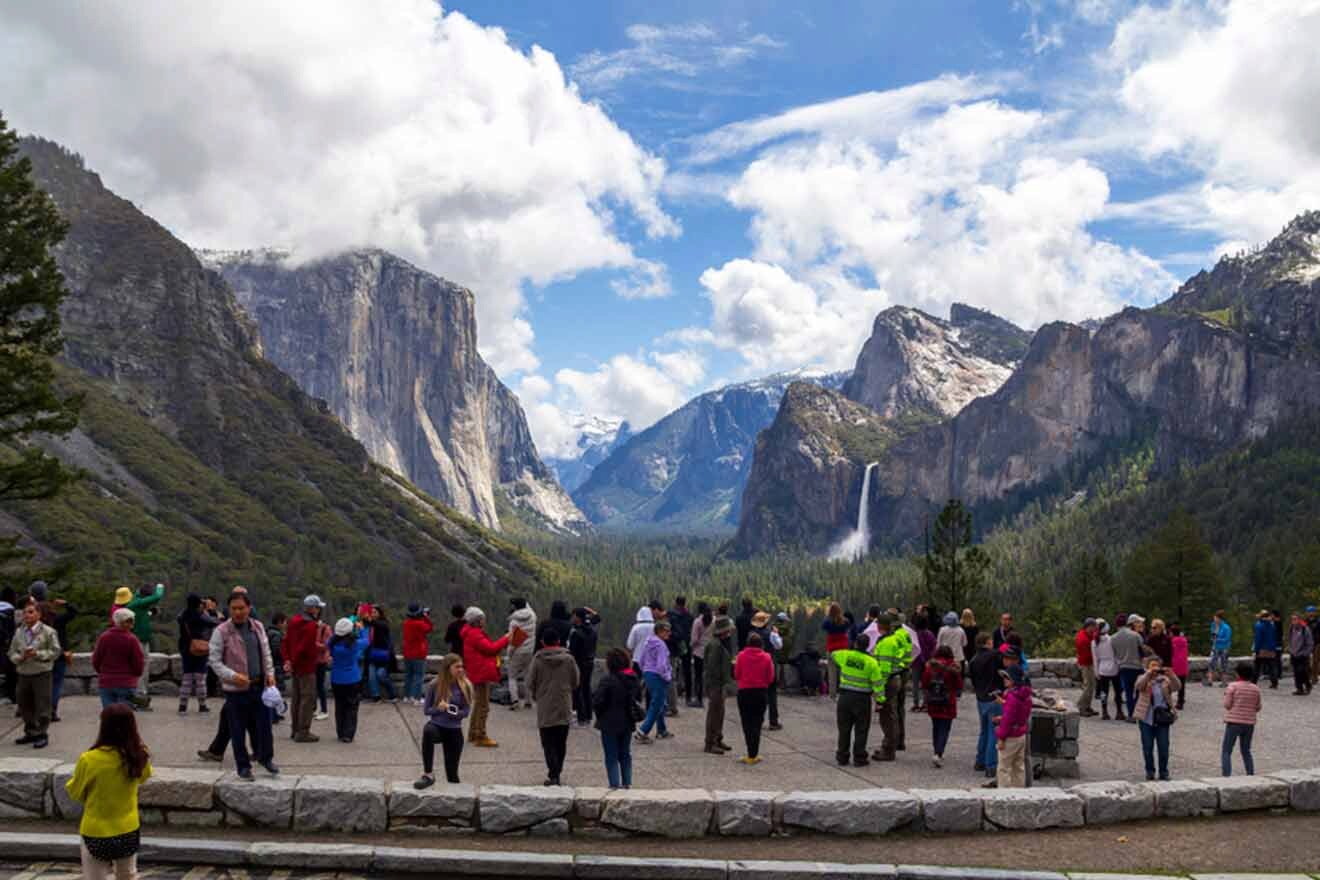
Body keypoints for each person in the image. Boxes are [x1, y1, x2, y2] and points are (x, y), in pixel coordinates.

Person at [66, 703, 153, 880]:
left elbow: (75, 792)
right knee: (127, 875)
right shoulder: (139, 755)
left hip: (96, 831)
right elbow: (144, 777)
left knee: (94, 877)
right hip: (128, 828)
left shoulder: (90, 759)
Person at [208, 590, 278, 781]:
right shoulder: (221, 631)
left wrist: (270, 674)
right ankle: (243, 767)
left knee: (265, 726)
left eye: (242, 608)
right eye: (234, 608)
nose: (238, 612)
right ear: (229, 610)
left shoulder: (258, 627)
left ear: (249, 608)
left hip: (259, 686)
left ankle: (266, 758)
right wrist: (232, 676)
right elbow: (214, 661)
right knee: (237, 729)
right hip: (236, 690)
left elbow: (266, 653)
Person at [527, 629, 578, 786]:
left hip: (545, 705)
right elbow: (576, 681)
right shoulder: (569, 659)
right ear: (558, 641)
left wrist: (537, 695)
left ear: (542, 642)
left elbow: (530, 682)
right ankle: (557, 771)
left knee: (548, 742)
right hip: (564, 703)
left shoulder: (538, 659)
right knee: (561, 742)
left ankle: (553, 773)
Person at [460, 607, 515, 747]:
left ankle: (473, 733)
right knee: (483, 706)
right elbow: (491, 649)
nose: (484, 621)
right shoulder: (475, 634)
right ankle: (481, 735)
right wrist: (506, 639)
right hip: (481, 672)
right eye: (482, 619)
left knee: (478, 704)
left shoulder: (468, 633)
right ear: (477, 621)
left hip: (475, 670)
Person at [8, 600, 60, 748]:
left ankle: (42, 733)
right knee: (24, 703)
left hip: (41, 672)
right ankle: (30, 731)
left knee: (42, 704)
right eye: (25, 612)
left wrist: (38, 654)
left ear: (38, 614)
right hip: (24, 672)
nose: (27, 615)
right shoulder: (19, 632)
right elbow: (12, 652)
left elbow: (55, 651)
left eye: (30, 612)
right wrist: (20, 657)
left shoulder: (48, 632)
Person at [416, 653, 471, 788]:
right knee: (428, 730)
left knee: (452, 774)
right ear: (448, 668)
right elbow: (427, 710)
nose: (460, 670)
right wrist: (439, 709)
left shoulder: (465, 685)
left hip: (454, 730)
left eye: (461, 667)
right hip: (437, 727)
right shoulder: (434, 684)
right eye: (457, 667)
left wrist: (450, 709)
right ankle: (428, 774)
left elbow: (465, 713)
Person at [832, 632, 884, 766]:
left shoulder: (845, 655)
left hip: (845, 697)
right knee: (861, 729)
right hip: (862, 699)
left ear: (855, 644)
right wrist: (880, 701)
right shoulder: (872, 662)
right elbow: (878, 684)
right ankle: (859, 758)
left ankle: (842, 757)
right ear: (868, 646)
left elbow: (833, 655)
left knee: (844, 729)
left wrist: (849, 651)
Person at [593, 648, 641, 790]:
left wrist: (600, 714)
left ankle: (614, 784)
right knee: (625, 753)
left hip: (608, 722)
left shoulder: (607, 680)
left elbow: (598, 701)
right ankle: (627, 783)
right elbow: (637, 698)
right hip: (627, 721)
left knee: (611, 755)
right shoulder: (633, 678)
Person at [30, 582, 76, 722]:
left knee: (40, 685)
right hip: (59, 655)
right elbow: (74, 612)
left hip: (40, 655)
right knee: (56, 684)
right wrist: (66, 603)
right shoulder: (58, 620)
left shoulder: (34, 622)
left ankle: (40, 711)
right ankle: (52, 711)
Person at [283, 595, 326, 741]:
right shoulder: (311, 625)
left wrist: (289, 660)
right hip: (306, 666)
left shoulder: (294, 621)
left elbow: (287, 641)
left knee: (296, 698)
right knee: (308, 699)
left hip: (295, 665)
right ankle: (303, 732)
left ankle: (294, 729)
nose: (319, 610)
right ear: (313, 609)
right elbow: (306, 648)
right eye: (318, 607)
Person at [117, 584, 165, 705]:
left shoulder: (137, 604)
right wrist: (160, 587)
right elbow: (158, 596)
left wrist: (150, 613)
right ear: (145, 597)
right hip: (138, 640)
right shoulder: (138, 603)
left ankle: (140, 694)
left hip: (142, 640)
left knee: (142, 667)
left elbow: (141, 615)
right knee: (140, 667)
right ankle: (139, 695)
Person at [1135, 657, 1180, 781]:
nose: (1155, 668)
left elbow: (1177, 687)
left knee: (1164, 747)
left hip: (1162, 719)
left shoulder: (1165, 681)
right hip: (1146, 718)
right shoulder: (1143, 678)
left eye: (1157, 666)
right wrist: (1148, 675)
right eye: (1152, 665)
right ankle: (1150, 771)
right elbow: (1138, 686)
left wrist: (1172, 675)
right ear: (1147, 667)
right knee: (1147, 747)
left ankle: (1163, 772)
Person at [991, 655, 1033, 789]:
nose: (1004, 680)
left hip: (1011, 736)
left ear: (1013, 680)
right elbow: (1017, 713)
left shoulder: (1012, 698)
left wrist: (1001, 738)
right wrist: (1004, 704)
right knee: (1018, 767)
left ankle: (1003, 796)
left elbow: (1008, 720)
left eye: (1006, 677)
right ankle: (1020, 795)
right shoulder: (1024, 695)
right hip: (1021, 734)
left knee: (1003, 767)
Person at [733, 633, 774, 765]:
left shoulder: (741, 656)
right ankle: (754, 753)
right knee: (757, 723)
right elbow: (770, 677)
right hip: (760, 693)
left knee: (747, 723)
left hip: (744, 693)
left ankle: (750, 753)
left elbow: (736, 674)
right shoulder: (767, 657)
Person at [92, 609, 145, 709]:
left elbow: (96, 659)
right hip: (126, 683)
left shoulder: (104, 637)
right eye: (129, 621)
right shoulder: (132, 639)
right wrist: (136, 675)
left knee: (109, 715)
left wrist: (102, 673)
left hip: (106, 682)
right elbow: (138, 662)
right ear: (122, 622)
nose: (132, 623)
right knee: (124, 716)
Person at [329, 617, 370, 743]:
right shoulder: (354, 644)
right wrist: (362, 629)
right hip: (352, 679)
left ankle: (340, 732)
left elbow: (329, 642)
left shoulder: (332, 644)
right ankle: (348, 734)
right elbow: (367, 641)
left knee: (339, 706)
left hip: (336, 678)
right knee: (352, 707)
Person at [922, 645, 963, 768]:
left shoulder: (930, 667)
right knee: (945, 729)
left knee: (936, 727)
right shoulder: (953, 668)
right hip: (947, 702)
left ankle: (936, 750)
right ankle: (939, 753)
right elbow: (959, 685)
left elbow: (924, 683)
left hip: (933, 702)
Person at [177, 594, 218, 714]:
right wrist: (208, 610)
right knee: (200, 679)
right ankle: (202, 705)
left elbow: (179, 616)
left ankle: (182, 706)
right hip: (200, 648)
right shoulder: (200, 615)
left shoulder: (183, 616)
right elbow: (213, 622)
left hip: (185, 648)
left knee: (187, 678)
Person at [1219, 662, 1261, 777]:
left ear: (1237, 674)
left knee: (1226, 750)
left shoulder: (1232, 686)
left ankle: (1226, 775)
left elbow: (1227, 705)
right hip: (1249, 723)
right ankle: (1250, 774)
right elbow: (1258, 707)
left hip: (1233, 722)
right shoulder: (1256, 689)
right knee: (1246, 750)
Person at [635, 620, 673, 744]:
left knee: (658, 702)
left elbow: (641, 660)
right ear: (659, 631)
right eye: (666, 631)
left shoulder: (648, 642)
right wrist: (667, 677)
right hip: (658, 676)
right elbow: (662, 665)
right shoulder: (661, 645)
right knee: (657, 704)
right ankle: (643, 731)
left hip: (648, 674)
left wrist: (645, 672)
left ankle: (661, 730)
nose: (669, 633)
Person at [969, 632, 1001, 778]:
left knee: (984, 731)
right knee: (994, 732)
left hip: (980, 698)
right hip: (994, 697)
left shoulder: (973, 660)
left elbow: (973, 681)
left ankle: (979, 761)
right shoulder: (994, 656)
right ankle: (991, 765)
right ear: (987, 642)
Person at [702, 616, 736, 754]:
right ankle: (710, 743)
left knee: (720, 712)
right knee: (714, 713)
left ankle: (717, 739)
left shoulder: (718, 643)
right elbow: (711, 667)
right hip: (715, 684)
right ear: (724, 631)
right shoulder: (715, 645)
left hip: (719, 684)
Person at [568, 607, 599, 726]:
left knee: (577, 689)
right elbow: (597, 618)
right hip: (589, 662)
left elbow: (572, 650)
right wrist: (591, 611)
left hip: (579, 663)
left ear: (577, 617)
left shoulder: (577, 633)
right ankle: (588, 715)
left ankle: (581, 716)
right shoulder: (592, 630)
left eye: (574, 615)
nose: (572, 618)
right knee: (586, 688)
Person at [1111, 614, 1145, 721]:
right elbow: (1143, 650)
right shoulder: (1135, 635)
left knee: (1128, 693)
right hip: (1137, 666)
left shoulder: (1113, 638)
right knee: (1139, 691)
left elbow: (1114, 654)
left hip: (1124, 668)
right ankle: (1139, 713)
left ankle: (1131, 715)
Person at [506, 598, 537, 710]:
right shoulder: (533, 616)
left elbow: (512, 640)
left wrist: (509, 653)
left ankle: (514, 700)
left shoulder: (514, 621)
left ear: (514, 606)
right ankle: (528, 701)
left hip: (518, 651)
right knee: (527, 675)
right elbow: (527, 606)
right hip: (530, 650)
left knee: (512, 676)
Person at [402, 603, 434, 704]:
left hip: (407, 652)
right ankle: (417, 698)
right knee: (418, 676)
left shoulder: (406, 623)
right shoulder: (420, 624)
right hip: (418, 653)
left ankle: (406, 696)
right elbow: (429, 628)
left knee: (408, 675)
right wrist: (425, 617)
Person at [365, 606, 397, 702]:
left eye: (375, 612)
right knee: (372, 677)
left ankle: (392, 694)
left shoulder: (383, 623)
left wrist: (370, 619)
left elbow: (378, 625)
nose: (373, 614)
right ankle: (376, 697)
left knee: (381, 675)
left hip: (383, 654)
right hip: (372, 654)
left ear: (380, 613)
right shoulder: (371, 625)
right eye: (372, 612)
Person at [821, 603, 851, 700]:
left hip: (832, 649)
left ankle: (832, 695)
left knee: (832, 674)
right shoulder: (845, 621)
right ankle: (844, 692)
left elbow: (823, 626)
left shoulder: (827, 622)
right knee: (844, 672)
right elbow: (848, 627)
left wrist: (828, 616)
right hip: (843, 649)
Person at [910, 611, 937, 712]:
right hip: (927, 662)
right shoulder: (929, 634)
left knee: (915, 684)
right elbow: (934, 647)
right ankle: (926, 703)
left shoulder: (913, 635)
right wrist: (930, 659)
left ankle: (915, 703)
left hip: (916, 661)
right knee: (926, 683)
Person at [689, 602, 714, 708]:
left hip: (699, 652)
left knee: (698, 676)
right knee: (711, 675)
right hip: (712, 651)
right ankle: (712, 697)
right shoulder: (714, 620)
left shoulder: (698, 622)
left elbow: (694, 639)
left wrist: (691, 646)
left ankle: (699, 699)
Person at [1094, 621, 1120, 720]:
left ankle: (1104, 711)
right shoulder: (1112, 639)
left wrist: (1096, 672)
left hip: (1102, 668)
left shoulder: (1094, 642)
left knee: (1104, 692)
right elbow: (1116, 654)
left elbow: (1095, 659)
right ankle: (1119, 711)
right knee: (1117, 691)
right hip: (1114, 667)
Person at [1074, 618, 1099, 717]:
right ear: (1089, 626)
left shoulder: (1087, 634)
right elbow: (1087, 653)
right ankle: (1080, 707)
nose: (1095, 629)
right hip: (1086, 664)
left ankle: (1087, 706)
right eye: (1094, 627)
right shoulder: (1082, 638)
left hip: (1089, 663)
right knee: (1088, 686)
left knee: (1092, 686)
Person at [1289, 612, 1314, 695]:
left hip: (1302, 655)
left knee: (1302, 671)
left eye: (1295, 619)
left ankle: (1308, 685)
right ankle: (1299, 688)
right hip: (1294, 654)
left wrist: (1306, 653)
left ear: (1299, 619)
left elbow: (1310, 643)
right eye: (1292, 619)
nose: (1293, 621)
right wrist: (1291, 650)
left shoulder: (1305, 629)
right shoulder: (1291, 627)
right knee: (1296, 672)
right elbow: (1290, 639)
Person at [1254, 610, 1280, 689]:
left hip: (1262, 649)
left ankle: (1253, 682)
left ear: (1261, 616)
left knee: (1257, 666)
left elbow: (1258, 639)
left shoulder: (1259, 625)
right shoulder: (1272, 625)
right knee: (1271, 666)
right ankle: (1274, 682)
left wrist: (1256, 649)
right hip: (1271, 649)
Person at [1206, 610, 1233, 687]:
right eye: (1214, 618)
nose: (1214, 620)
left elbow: (1227, 639)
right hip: (1215, 647)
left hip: (1224, 648)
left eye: (1215, 618)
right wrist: (1213, 638)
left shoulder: (1226, 627)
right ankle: (1210, 680)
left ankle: (1224, 682)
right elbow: (1212, 634)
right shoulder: (1213, 625)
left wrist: (1217, 639)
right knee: (1211, 663)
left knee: (1223, 664)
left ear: (1220, 619)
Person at [314, 615, 332, 721]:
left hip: (321, 661)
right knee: (314, 686)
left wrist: (314, 645)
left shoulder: (325, 628)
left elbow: (328, 645)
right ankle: (315, 708)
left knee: (320, 686)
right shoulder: (312, 628)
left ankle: (324, 710)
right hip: (312, 660)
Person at [1170, 624, 1190, 710]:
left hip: (1174, 666)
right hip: (1183, 665)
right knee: (1182, 686)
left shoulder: (1171, 641)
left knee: (1168, 684)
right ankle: (1180, 702)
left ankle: (1168, 701)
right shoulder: (1184, 640)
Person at [959, 609, 979, 676]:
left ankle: (963, 675)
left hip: (962, 646)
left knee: (962, 662)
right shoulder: (975, 627)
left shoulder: (960, 626)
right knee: (971, 661)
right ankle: (972, 674)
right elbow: (977, 638)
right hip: (972, 647)